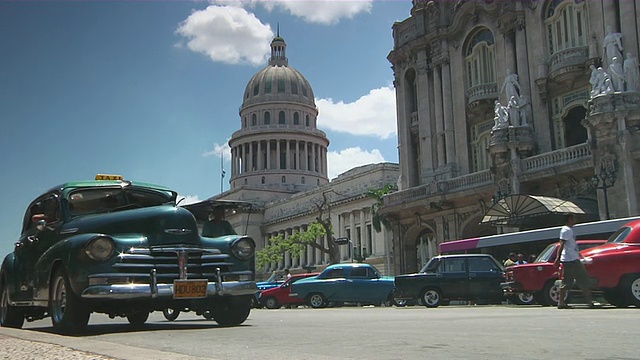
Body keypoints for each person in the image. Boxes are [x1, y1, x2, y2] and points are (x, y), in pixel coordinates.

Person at [554, 214, 601, 309]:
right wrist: (557, 258)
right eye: (573, 218)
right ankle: (589, 302)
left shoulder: (568, 230)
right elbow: (562, 244)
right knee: (584, 279)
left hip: (570, 259)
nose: (575, 220)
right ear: (569, 219)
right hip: (571, 260)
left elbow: (571, 246)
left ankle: (561, 303)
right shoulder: (566, 230)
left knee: (567, 281)